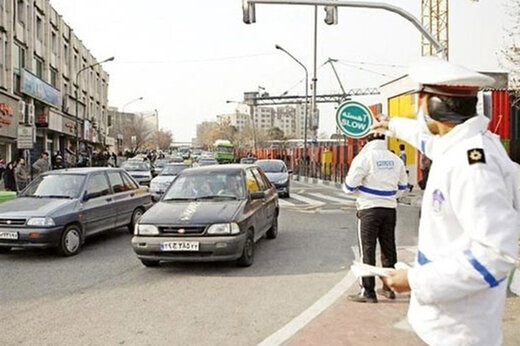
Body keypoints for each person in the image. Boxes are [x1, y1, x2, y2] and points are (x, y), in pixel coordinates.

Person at [373, 57, 519, 345]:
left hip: (461, 331)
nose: (417, 108)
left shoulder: (472, 165)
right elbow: (428, 140)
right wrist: (391, 125)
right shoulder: (463, 144)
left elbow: (496, 255)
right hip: (450, 322)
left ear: (432, 104)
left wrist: (414, 281)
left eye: (420, 99)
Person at [342, 132, 408, 303]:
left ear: (367, 141)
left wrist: (362, 191)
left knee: (367, 250)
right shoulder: (395, 159)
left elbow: (349, 186)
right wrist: (390, 196)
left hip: (369, 209)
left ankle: (368, 292)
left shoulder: (364, 158)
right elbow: (402, 186)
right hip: (389, 209)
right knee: (388, 249)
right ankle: (389, 287)